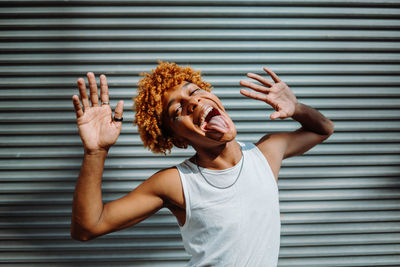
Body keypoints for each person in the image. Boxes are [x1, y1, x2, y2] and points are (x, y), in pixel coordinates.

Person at [70, 61, 334, 266]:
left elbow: (324, 129)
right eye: (177, 110)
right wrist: (96, 151)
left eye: (194, 91)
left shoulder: (266, 154)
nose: (193, 102)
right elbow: (88, 227)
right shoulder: (177, 182)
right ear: (179, 140)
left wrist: (297, 108)